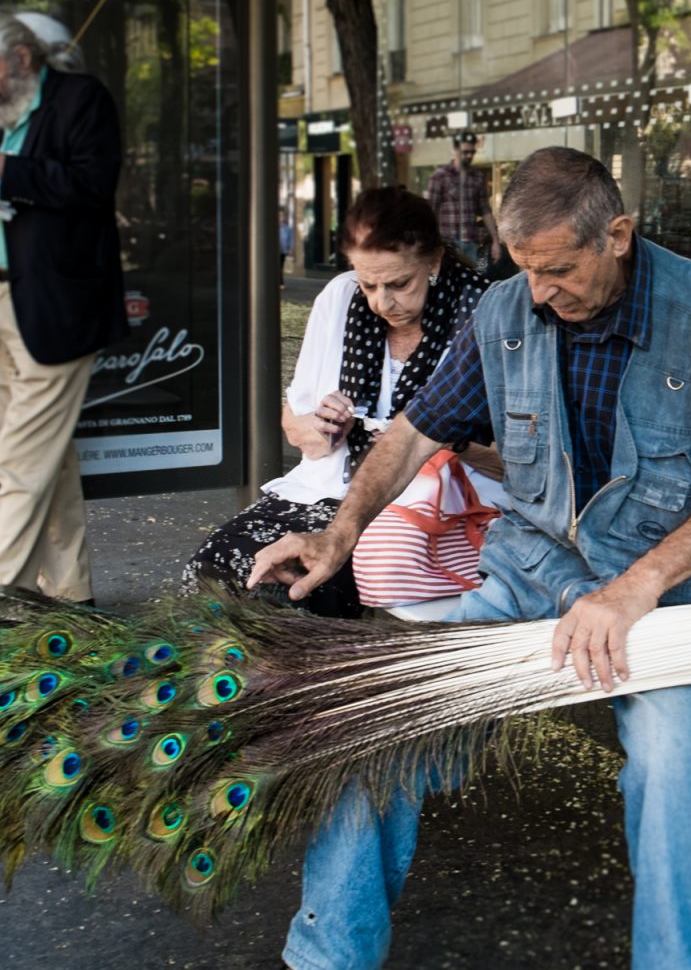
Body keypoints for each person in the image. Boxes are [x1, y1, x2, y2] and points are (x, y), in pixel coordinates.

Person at [251, 147, 691, 970]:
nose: (541, 292)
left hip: (671, 599)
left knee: (673, 766)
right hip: (532, 571)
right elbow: (412, 433)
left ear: (617, 233)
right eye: (526, 270)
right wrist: (340, 533)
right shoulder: (507, 311)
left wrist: (636, 586)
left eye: (559, 270)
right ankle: (326, 959)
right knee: (379, 714)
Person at [0, 8, 127, 669]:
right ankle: (70, 592)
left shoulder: (81, 99)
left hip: (58, 310)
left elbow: (93, 185)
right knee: (44, 457)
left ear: (24, 60)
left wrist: (2, 170)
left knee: (21, 465)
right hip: (0, 301)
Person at [183, 185, 502, 618]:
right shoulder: (340, 297)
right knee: (218, 566)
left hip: (429, 504)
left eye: (399, 283)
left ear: (434, 260)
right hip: (327, 487)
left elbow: (513, 460)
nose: (382, 302)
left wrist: (435, 436)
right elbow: (297, 428)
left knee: (310, 585)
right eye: (369, 283)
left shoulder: (484, 312)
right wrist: (324, 426)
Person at [426, 131, 502, 268]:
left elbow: (485, 211)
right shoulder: (440, 176)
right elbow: (430, 211)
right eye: (465, 152)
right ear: (455, 150)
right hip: (446, 242)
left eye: (472, 152)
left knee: (469, 283)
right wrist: (430, 241)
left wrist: (495, 241)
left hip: (470, 242)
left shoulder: (477, 177)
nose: (469, 156)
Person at [279, 206, 294, 288]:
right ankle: (280, 283)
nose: (281, 217)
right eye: (279, 216)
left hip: (283, 250)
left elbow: (290, 239)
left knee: (280, 267)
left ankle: (280, 283)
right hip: (275, 251)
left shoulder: (287, 228)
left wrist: (290, 249)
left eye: (282, 216)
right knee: (278, 268)